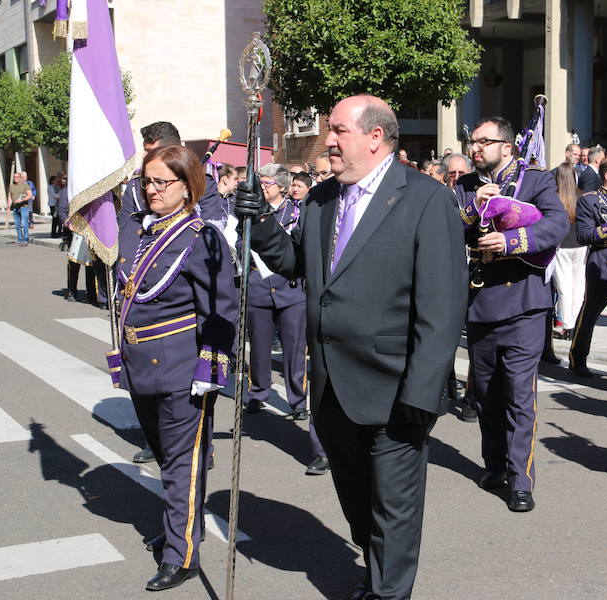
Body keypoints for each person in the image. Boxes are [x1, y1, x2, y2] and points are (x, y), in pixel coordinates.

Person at [236, 94, 466, 599]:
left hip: (395, 387)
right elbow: (299, 265)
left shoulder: (425, 199)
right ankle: (375, 563)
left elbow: (442, 307)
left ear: (375, 137)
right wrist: (263, 224)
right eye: (329, 130)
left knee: (394, 505)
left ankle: (387, 591)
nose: (328, 140)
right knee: (357, 496)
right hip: (332, 386)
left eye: (339, 131)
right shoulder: (321, 199)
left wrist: (422, 393)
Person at [117, 144, 237, 590]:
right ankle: (178, 529)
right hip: (141, 365)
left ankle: (181, 554)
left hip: (180, 368)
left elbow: (221, 310)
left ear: (187, 187)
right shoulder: (145, 232)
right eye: (146, 181)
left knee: (181, 465)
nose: (151, 190)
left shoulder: (201, 237)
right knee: (167, 458)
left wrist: (212, 372)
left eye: (161, 182)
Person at [456, 116, 568, 512]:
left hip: (523, 302)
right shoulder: (465, 186)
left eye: (483, 141)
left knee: (520, 395)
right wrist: (473, 208)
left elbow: (558, 224)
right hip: (480, 302)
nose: (475, 148)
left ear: (507, 146)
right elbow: (449, 231)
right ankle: (496, 464)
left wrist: (510, 240)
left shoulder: (535, 180)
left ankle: (521, 479)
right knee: (486, 393)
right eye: (472, 142)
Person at [244, 163, 327, 475]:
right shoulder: (255, 208)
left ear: (281, 185)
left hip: (290, 289)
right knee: (260, 346)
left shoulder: (296, 210)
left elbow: (296, 249)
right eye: (261, 182)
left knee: (294, 349)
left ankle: (296, 399)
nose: (264, 187)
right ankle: (258, 393)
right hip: (259, 286)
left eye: (268, 183)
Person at [568, 157, 607, 376]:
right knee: (589, 316)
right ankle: (577, 358)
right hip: (602, 264)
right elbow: (583, 235)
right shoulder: (589, 200)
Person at [553, 163, 587, 337]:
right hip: (580, 244)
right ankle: (576, 323)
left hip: (561, 246)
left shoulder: (554, 197)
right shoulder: (582, 196)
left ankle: (567, 323)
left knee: (564, 287)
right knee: (578, 286)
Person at [8, 172, 31, 247]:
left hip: (23, 207)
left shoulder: (25, 185)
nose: (16, 178)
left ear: (20, 178)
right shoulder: (11, 186)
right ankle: (20, 239)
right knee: (17, 225)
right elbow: (10, 197)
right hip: (15, 208)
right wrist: (8, 207)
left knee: (24, 223)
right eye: (14, 177)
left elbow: (30, 195)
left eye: (17, 177)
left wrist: (22, 200)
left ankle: (25, 239)